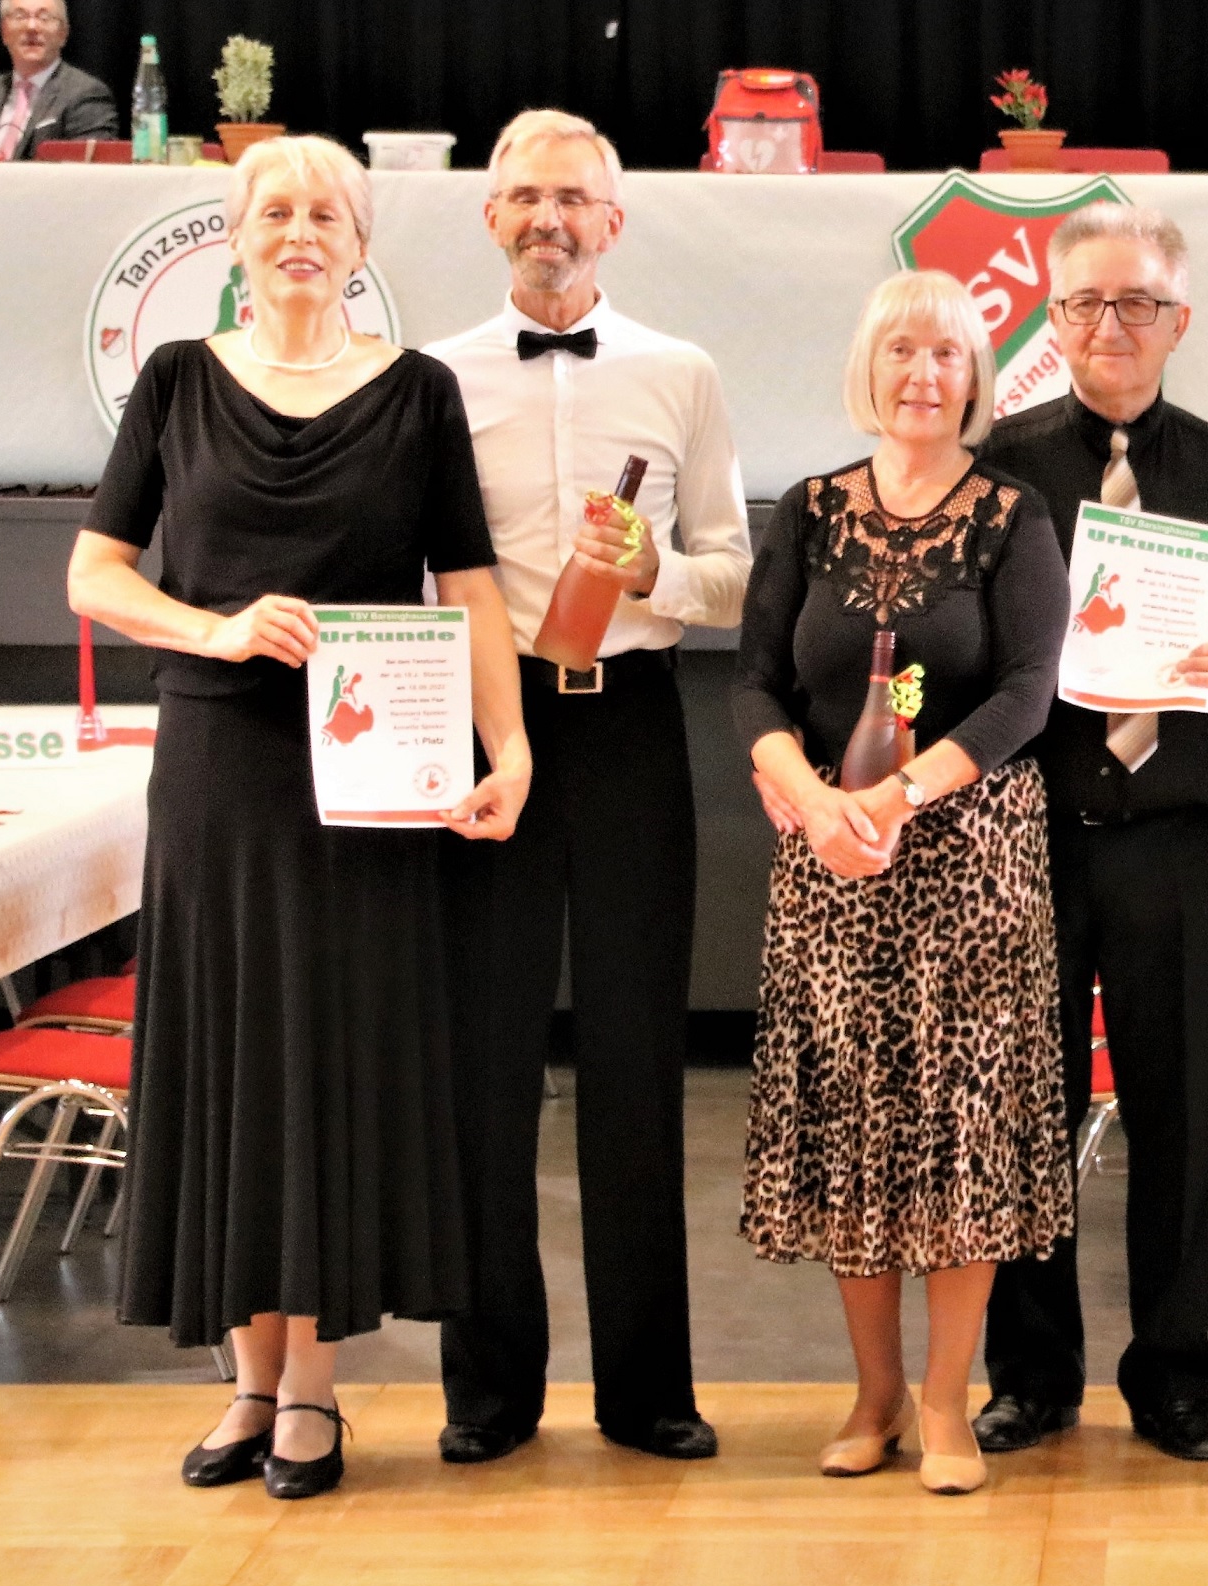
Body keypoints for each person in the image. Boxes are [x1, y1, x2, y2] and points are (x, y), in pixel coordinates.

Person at [67, 135, 531, 1500]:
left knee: (331, 1059)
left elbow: (473, 587)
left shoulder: (419, 393)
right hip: (222, 766)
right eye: (274, 209)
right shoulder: (174, 382)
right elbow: (96, 574)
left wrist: (506, 747)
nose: (299, 230)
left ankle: (315, 1388)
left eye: (326, 210)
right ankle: (247, 1379)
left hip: (374, 775)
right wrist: (211, 627)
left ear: (363, 241)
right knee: (231, 1055)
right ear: (234, 236)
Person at [426, 109, 751, 1468]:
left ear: (613, 222)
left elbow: (734, 573)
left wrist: (649, 578)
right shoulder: (428, 380)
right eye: (525, 197)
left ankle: (646, 1391)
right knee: (484, 1070)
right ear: (489, 217)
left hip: (627, 728)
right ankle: (488, 1392)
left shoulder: (681, 373)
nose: (548, 217)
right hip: (485, 734)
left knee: (635, 1065)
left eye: (574, 198)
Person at [735, 268, 1073, 1496]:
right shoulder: (813, 509)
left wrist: (896, 794)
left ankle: (944, 1399)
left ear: (974, 380)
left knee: (959, 1133)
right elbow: (754, 680)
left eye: (944, 355)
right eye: (899, 353)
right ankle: (872, 1390)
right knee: (856, 1131)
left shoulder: (1011, 514)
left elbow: (1028, 690)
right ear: (866, 372)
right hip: (828, 861)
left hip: (970, 864)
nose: (920, 375)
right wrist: (814, 798)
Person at [972, 202, 1208, 1463]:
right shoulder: (995, 467)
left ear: (1178, 319)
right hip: (1026, 840)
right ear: (1050, 320)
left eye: (1138, 304)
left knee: (1180, 1116)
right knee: (1023, 1117)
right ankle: (1032, 1371)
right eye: (1086, 304)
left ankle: (1173, 1373)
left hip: (1180, 840)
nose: (1111, 327)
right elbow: (939, 662)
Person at [0, 1, 116, 160]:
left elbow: (87, 174)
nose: (31, 27)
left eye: (44, 18)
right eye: (20, 16)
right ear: (4, 32)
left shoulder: (87, 95)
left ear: (63, 33)